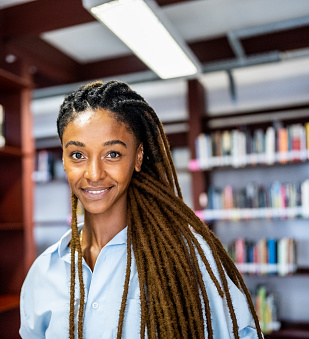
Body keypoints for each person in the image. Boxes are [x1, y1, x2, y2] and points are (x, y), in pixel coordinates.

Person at [20, 80, 262, 338]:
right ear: (64, 161)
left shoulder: (187, 257)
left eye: (112, 154)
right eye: (78, 155)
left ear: (137, 157)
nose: (93, 174)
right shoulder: (44, 271)